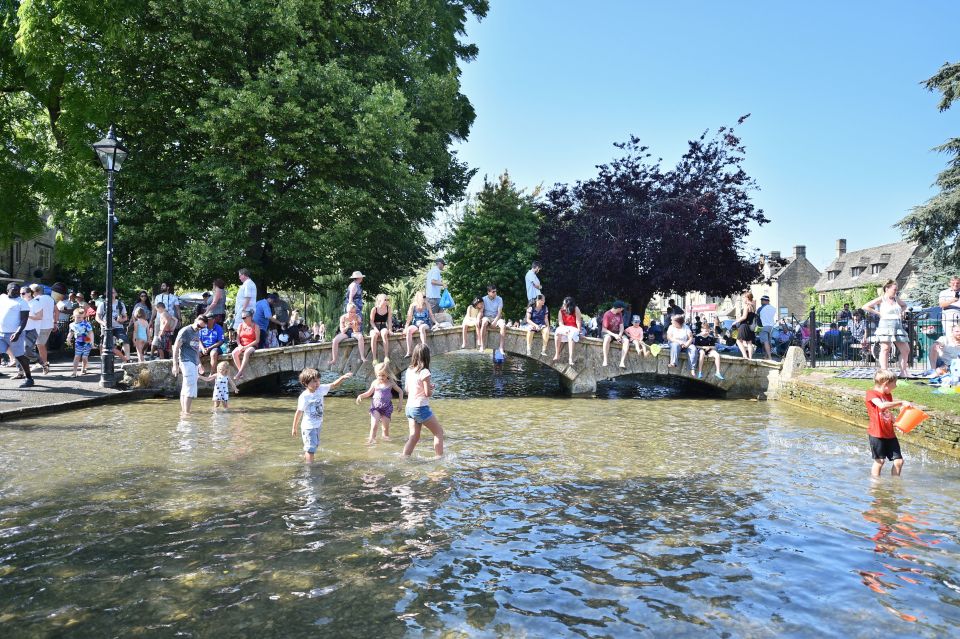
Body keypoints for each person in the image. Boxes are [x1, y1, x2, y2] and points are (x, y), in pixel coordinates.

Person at [291, 368, 353, 463]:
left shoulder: (320, 389)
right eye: (314, 381)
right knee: (311, 449)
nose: (317, 383)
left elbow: (333, 385)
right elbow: (299, 412)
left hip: (317, 425)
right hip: (308, 427)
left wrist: (342, 378)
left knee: (313, 446)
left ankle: (306, 459)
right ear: (306, 383)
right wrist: (294, 427)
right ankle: (309, 467)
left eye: (318, 380)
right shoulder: (304, 396)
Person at [865, 369, 913, 477]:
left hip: (889, 434)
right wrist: (901, 402)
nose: (895, 386)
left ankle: (895, 485)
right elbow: (882, 406)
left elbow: (888, 413)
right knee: (880, 461)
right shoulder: (871, 394)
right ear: (886, 383)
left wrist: (897, 424)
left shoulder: (888, 395)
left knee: (899, 461)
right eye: (894, 383)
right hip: (877, 434)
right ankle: (876, 485)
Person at [402, 344, 444, 458]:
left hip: (409, 408)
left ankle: (404, 457)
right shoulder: (425, 371)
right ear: (427, 357)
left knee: (414, 436)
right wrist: (431, 389)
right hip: (420, 408)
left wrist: (427, 386)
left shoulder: (409, 370)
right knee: (439, 432)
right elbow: (427, 393)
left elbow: (407, 389)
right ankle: (439, 458)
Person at [862, 280, 910, 377]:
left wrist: (901, 312)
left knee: (905, 349)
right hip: (885, 325)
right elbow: (865, 306)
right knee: (885, 348)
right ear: (887, 289)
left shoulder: (896, 299)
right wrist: (878, 313)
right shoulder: (882, 299)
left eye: (896, 289)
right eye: (894, 289)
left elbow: (905, 305)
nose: (896, 291)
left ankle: (903, 372)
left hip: (897, 326)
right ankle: (884, 372)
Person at [356, 361, 404, 444]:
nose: (381, 377)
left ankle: (385, 444)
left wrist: (400, 404)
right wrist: (360, 396)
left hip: (387, 408)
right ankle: (371, 440)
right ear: (376, 375)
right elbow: (368, 393)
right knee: (374, 425)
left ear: (387, 374)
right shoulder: (375, 383)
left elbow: (400, 392)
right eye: (379, 375)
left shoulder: (391, 383)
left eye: (383, 375)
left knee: (385, 429)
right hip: (376, 407)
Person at [171, 314, 208, 415]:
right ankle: (187, 413)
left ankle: (184, 412)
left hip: (193, 362)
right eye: (198, 325)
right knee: (190, 387)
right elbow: (176, 347)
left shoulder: (196, 332)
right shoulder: (185, 331)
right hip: (186, 361)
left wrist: (199, 364)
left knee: (186, 387)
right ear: (195, 320)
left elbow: (195, 350)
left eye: (201, 327)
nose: (199, 328)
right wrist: (175, 364)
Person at [0, 283, 33, 388]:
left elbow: (24, 320)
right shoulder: (2, 299)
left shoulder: (22, 303)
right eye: (13, 289)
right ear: (7, 290)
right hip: (1, 332)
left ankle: (29, 378)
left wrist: (17, 332)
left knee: (19, 356)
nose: (16, 292)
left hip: (14, 333)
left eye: (18, 290)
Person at [95, 288, 130, 363]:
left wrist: (121, 320)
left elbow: (125, 317)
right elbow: (97, 317)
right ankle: (104, 361)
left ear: (116, 294)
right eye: (109, 293)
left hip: (118, 327)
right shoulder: (102, 304)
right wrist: (103, 323)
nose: (111, 294)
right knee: (103, 344)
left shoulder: (120, 304)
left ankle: (127, 359)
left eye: (113, 292)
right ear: (106, 294)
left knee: (125, 341)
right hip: (105, 327)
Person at [27, 283, 55, 374]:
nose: (29, 293)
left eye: (30, 291)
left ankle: (44, 364)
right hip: (48, 324)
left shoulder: (36, 300)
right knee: (41, 345)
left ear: (35, 291)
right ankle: (43, 363)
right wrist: (55, 322)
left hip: (42, 325)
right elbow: (57, 310)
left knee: (40, 345)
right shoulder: (50, 298)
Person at [403, 291, 436, 357]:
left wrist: (436, 323)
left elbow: (431, 315)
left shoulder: (427, 305)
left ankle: (424, 348)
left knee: (422, 327)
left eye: (425, 297)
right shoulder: (413, 306)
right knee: (409, 330)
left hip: (425, 323)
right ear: (418, 297)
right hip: (416, 324)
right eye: (423, 297)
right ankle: (409, 352)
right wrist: (406, 327)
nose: (425, 298)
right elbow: (409, 317)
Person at [553, 296, 582, 366]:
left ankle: (570, 358)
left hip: (574, 328)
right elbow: (560, 323)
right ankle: (557, 354)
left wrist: (579, 331)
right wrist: (564, 329)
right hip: (565, 328)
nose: (563, 305)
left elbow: (578, 321)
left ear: (569, 304)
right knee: (557, 331)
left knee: (571, 335)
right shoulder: (561, 311)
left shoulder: (576, 309)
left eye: (564, 304)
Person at [232, 309, 260, 380]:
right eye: (242, 318)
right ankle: (240, 372)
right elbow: (237, 338)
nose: (243, 319)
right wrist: (239, 345)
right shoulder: (240, 326)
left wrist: (246, 347)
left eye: (244, 318)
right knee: (234, 353)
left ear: (250, 317)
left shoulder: (256, 326)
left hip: (252, 345)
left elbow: (257, 340)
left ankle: (239, 372)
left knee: (247, 352)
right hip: (242, 345)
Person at [601, 300, 630, 368]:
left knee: (626, 341)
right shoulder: (607, 314)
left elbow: (621, 326)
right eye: (622, 308)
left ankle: (622, 362)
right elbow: (604, 329)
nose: (622, 310)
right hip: (608, 332)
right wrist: (614, 335)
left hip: (617, 333)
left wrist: (619, 334)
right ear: (619, 308)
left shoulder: (619, 314)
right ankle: (605, 360)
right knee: (607, 339)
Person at [479, 284, 506, 355]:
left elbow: (499, 313)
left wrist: (495, 321)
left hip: (496, 317)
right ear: (488, 292)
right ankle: (482, 345)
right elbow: (481, 312)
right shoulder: (483, 299)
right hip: (487, 317)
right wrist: (478, 319)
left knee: (503, 325)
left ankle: (501, 347)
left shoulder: (499, 299)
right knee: (484, 322)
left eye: (495, 291)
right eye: (493, 292)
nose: (495, 293)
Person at [67, 307, 94, 376]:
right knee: (77, 356)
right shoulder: (72, 325)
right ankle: (74, 371)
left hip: (87, 342)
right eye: (78, 317)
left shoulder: (86, 323)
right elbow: (71, 333)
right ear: (74, 316)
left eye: (82, 317)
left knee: (84, 357)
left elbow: (91, 332)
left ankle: (84, 368)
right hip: (78, 342)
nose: (80, 319)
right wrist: (68, 339)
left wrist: (92, 341)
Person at [368, 293, 393, 363]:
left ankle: (386, 357)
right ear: (380, 300)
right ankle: (374, 359)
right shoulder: (374, 309)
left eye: (387, 299)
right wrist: (375, 329)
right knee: (373, 336)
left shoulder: (388, 308)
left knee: (384, 333)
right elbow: (371, 321)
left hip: (383, 326)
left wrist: (390, 329)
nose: (387, 301)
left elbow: (389, 320)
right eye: (385, 299)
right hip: (374, 326)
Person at [734, 292, 757, 360]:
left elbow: (744, 317)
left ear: (747, 298)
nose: (743, 299)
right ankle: (750, 357)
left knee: (738, 341)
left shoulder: (746, 306)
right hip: (750, 326)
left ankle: (745, 356)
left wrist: (736, 321)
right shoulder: (753, 306)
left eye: (743, 298)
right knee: (749, 342)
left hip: (744, 325)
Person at [756, 294, 777, 360]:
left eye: (762, 300)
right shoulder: (773, 308)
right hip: (772, 326)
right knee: (769, 342)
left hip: (764, 326)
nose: (761, 302)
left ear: (766, 301)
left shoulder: (760, 308)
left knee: (765, 342)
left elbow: (758, 318)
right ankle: (766, 356)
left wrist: (758, 327)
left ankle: (770, 357)